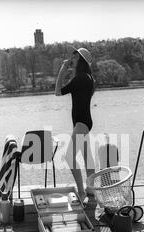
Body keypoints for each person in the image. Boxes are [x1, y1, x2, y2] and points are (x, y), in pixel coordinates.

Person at [55, 47, 95, 201]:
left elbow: (57, 91)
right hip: (85, 121)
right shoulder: (89, 78)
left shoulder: (80, 79)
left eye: (75, 57)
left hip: (81, 122)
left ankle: (82, 191)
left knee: (69, 157)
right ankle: (90, 189)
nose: (73, 59)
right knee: (87, 156)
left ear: (81, 61)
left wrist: (63, 69)